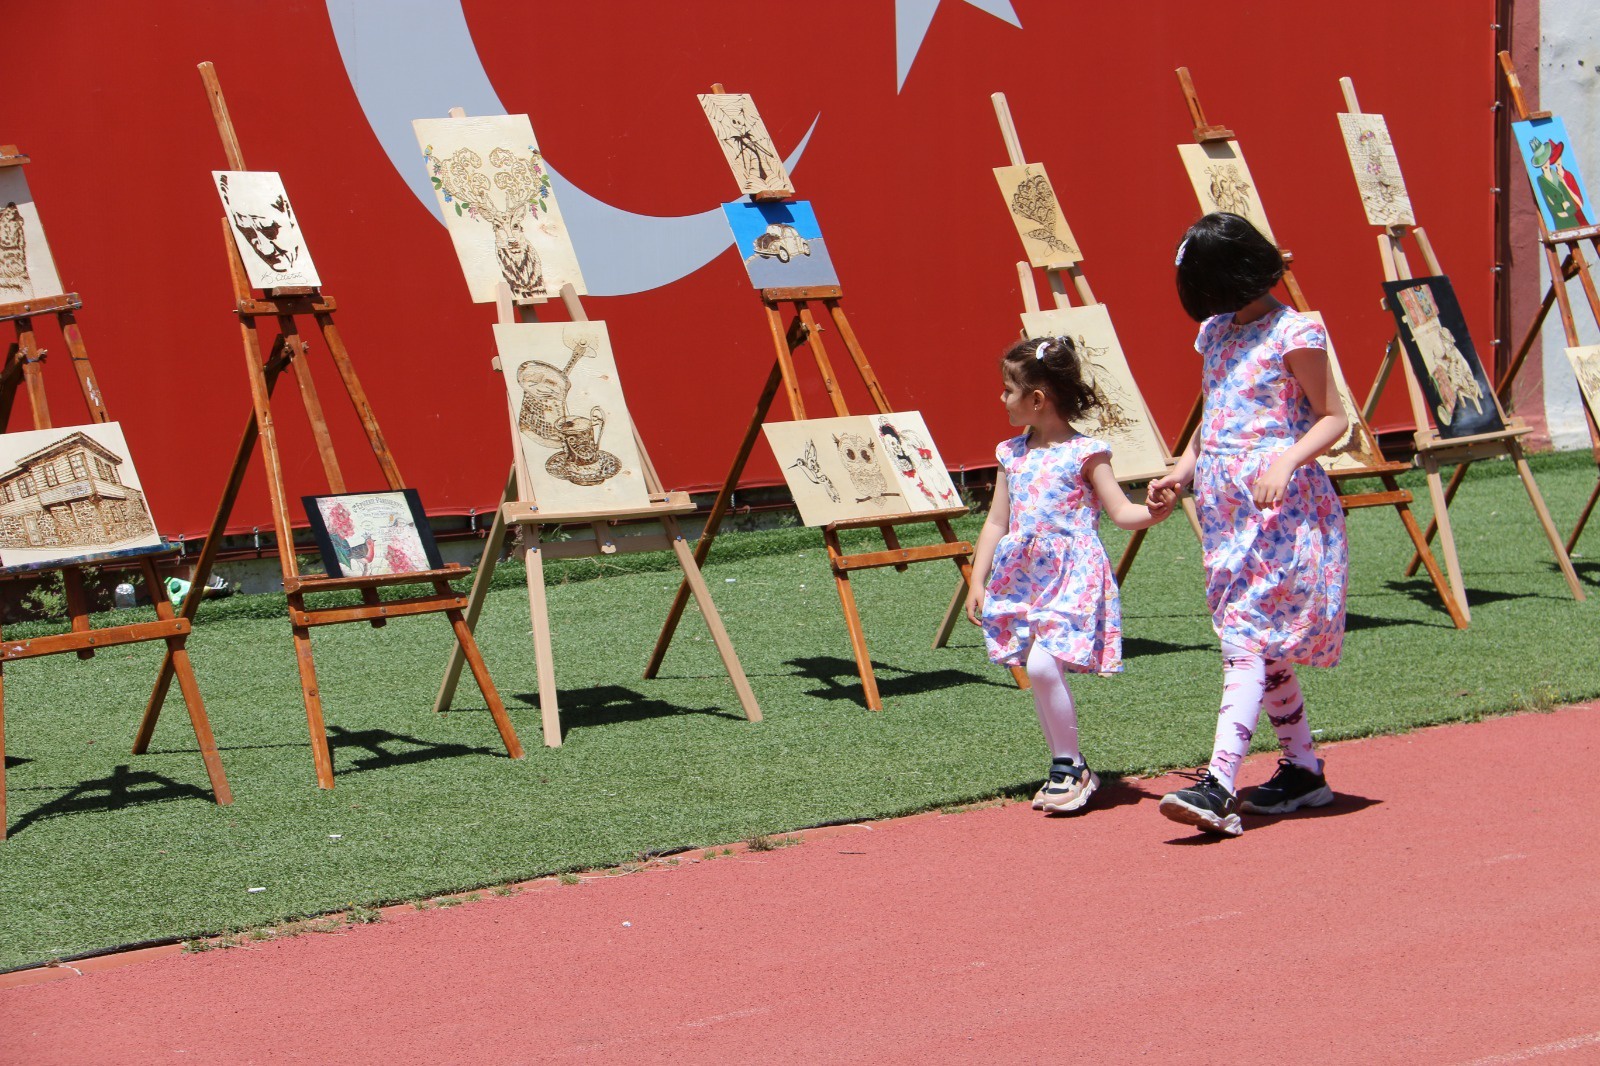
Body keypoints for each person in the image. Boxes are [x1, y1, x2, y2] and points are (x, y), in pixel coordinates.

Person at [1147, 212, 1349, 837]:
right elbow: (1214, 419)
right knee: (1260, 642)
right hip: (1224, 510)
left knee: (1243, 638)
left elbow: (1333, 417)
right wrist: (1181, 470)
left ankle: (1217, 782)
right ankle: (1303, 773)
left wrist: (1287, 461)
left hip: (1279, 513)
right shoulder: (1215, 333)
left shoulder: (1297, 331)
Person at [966, 335, 1174, 814]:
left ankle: (1069, 765)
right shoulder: (1010, 454)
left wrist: (1154, 513)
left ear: (1037, 399)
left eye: (1007, 390)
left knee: (1042, 666)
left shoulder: (1087, 453)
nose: (1002, 399)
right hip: (1024, 577)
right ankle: (1067, 764)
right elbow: (997, 521)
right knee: (1038, 670)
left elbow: (1122, 512)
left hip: (1073, 576)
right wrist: (978, 581)